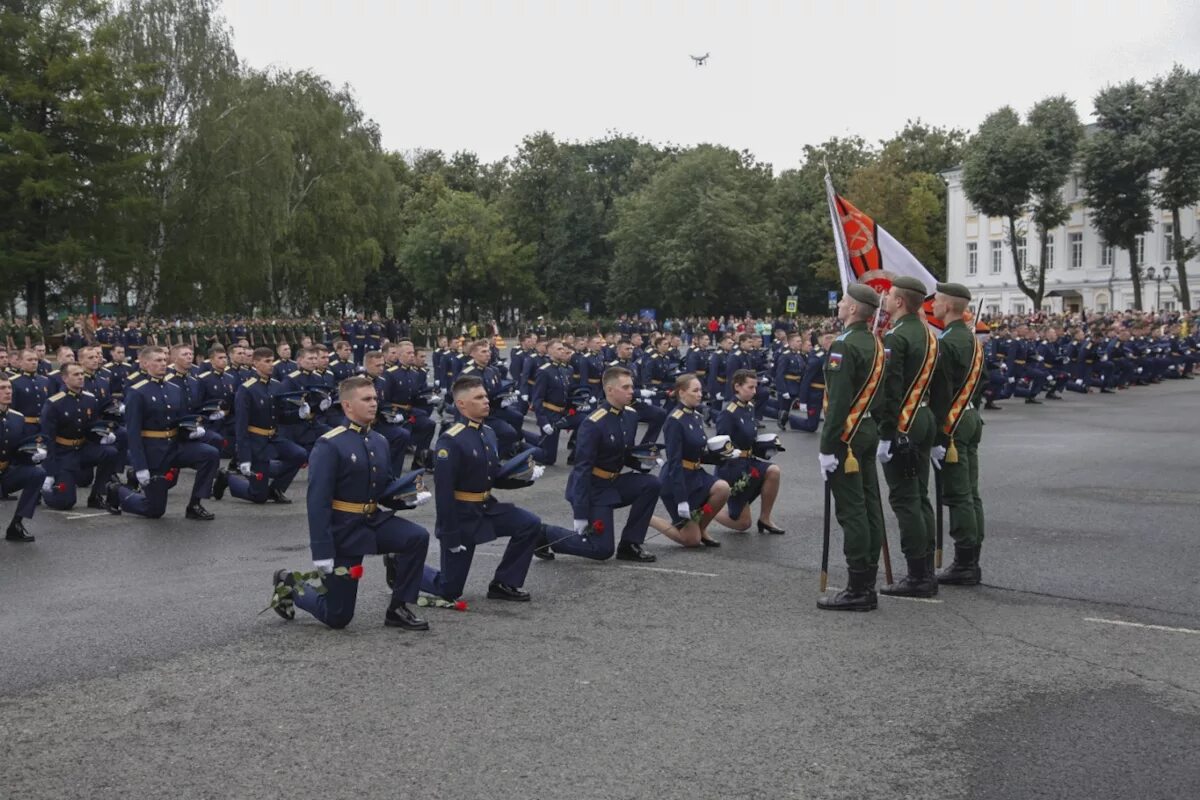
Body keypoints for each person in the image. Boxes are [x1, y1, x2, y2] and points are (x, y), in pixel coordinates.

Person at [272, 375, 430, 630]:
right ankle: (290, 584)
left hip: (372, 521)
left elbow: (385, 487)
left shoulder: (379, 441)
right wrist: (322, 551)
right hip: (343, 532)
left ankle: (398, 607)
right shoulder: (330, 444)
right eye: (366, 399)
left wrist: (409, 497)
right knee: (338, 617)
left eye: (375, 399)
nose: (374, 404)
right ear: (347, 406)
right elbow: (318, 502)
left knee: (417, 537)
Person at [420, 374, 544, 602]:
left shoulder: (487, 433)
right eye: (478, 397)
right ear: (461, 404)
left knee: (529, 524)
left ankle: (505, 582)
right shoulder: (451, 440)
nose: (486, 401)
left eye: (485, 396)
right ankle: (401, 566)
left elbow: (492, 476)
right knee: (449, 590)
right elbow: (444, 494)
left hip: (486, 508)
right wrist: (450, 535)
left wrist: (524, 477)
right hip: (462, 516)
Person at [539, 366, 659, 563]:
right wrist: (580, 513)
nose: (632, 391)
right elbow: (582, 470)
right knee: (601, 549)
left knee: (651, 484)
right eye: (626, 387)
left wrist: (643, 463)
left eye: (632, 386)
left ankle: (630, 544)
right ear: (610, 390)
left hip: (614, 482)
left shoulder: (630, 415)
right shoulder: (593, 423)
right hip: (593, 488)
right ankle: (544, 534)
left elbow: (624, 453)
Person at [816, 284, 888, 611]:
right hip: (868, 429)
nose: (840, 304)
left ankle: (858, 587)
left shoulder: (843, 347)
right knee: (870, 504)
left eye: (844, 301)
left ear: (856, 310)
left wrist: (828, 447)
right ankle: (867, 580)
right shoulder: (874, 342)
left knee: (852, 509)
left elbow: (839, 403)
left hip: (848, 435)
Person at [874, 276, 940, 598]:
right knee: (920, 495)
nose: (884, 299)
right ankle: (926, 567)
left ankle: (917, 577)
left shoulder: (896, 337)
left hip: (904, 423)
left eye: (888, 295)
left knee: (904, 498)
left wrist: (887, 435)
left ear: (900, 302)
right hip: (924, 418)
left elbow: (891, 391)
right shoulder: (929, 335)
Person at [106, 346, 219, 521]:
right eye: (157, 360)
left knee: (210, 453)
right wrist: (140, 466)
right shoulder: (137, 392)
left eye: (164, 360)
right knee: (154, 510)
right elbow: (133, 433)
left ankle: (195, 504)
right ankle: (117, 490)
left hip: (175, 446)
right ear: (145, 364)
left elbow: (181, 420)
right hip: (153, 451)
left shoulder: (174, 388)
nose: (163, 363)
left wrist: (193, 430)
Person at [929, 283, 987, 586]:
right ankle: (971, 557)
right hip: (970, 416)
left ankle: (965, 563)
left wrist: (938, 435)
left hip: (952, 423)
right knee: (971, 493)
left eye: (937, 300)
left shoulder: (949, 342)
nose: (933, 305)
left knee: (959, 494)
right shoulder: (973, 340)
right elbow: (982, 382)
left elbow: (940, 392)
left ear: (949, 306)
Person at [213, 347, 307, 505]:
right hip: (255, 441)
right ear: (256, 363)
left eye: (272, 361)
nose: (272, 365)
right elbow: (241, 425)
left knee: (299, 454)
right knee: (258, 496)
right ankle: (227, 478)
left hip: (273, 437)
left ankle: (276, 489)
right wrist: (244, 457)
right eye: (267, 361)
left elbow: (281, 417)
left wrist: (299, 413)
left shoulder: (276, 386)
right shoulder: (247, 389)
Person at [650, 373, 730, 547]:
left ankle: (701, 528)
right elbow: (674, 461)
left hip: (695, 474)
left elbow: (699, 452)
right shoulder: (674, 421)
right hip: (676, 480)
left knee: (723, 489)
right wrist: (681, 499)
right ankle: (647, 516)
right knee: (691, 541)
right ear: (682, 393)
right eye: (695, 390)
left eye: (700, 390)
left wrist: (723, 457)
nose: (700, 394)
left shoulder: (695, 416)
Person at [39, 363, 120, 512]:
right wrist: (49, 471)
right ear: (64, 378)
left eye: (82, 374)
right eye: (76, 375)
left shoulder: (90, 399)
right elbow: (47, 439)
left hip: (82, 449)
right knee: (65, 503)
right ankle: (44, 491)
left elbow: (92, 428)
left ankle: (96, 496)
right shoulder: (54, 403)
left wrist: (103, 436)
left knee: (110, 452)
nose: (81, 377)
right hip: (63, 454)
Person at [712, 369, 785, 534]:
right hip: (733, 469)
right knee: (743, 524)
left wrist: (765, 446)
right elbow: (720, 445)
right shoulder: (728, 413)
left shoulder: (749, 406)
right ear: (737, 387)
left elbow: (750, 437)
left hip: (748, 461)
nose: (754, 391)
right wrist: (733, 456)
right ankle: (706, 511)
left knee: (773, 471)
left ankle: (765, 519)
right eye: (750, 387)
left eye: (755, 387)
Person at [0, 373, 45, 542]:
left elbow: (18, 450)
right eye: (2, 388)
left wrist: (32, 455)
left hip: (5, 472)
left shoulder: (17, 418)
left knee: (37, 473)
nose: (7, 392)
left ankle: (16, 525)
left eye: (9, 387)